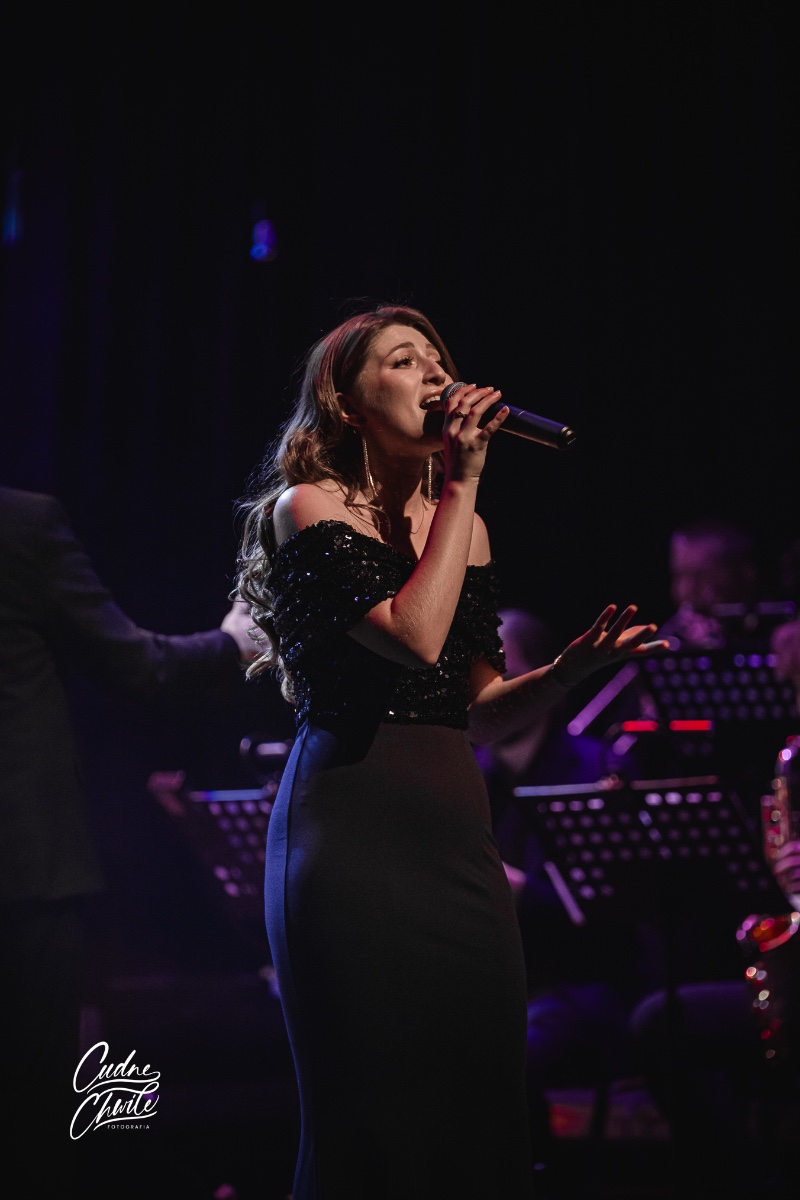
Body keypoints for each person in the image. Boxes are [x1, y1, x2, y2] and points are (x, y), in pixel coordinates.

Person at [233, 302, 668, 1200]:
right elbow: (412, 639)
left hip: (456, 846)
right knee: (373, 1112)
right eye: (403, 360)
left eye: (438, 358)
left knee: (481, 1108)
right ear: (347, 402)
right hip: (350, 836)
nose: (436, 373)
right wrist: (462, 486)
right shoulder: (308, 507)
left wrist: (565, 673)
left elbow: (479, 714)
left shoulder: (460, 525)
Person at [0, 485, 257, 1174]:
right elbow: (138, 665)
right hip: (21, 870)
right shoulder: (20, 523)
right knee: (29, 1117)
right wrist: (233, 643)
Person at [474, 608, 659, 1192]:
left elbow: (616, 919)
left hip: (585, 988)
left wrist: (519, 892)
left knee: (499, 1059)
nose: (490, 691)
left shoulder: (597, 769)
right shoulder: (468, 776)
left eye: (507, 674)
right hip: (500, 987)